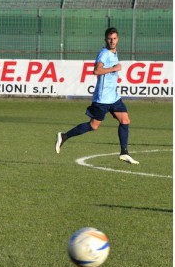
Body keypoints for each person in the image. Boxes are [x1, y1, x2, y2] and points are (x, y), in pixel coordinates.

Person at [55, 27, 139, 165]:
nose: (112, 41)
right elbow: (96, 70)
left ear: (118, 39)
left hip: (113, 97)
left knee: (125, 120)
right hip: (102, 98)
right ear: (105, 39)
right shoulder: (104, 54)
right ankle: (64, 136)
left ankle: (124, 152)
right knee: (93, 126)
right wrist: (114, 68)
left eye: (114, 39)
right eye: (110, 39)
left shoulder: (113, 53)